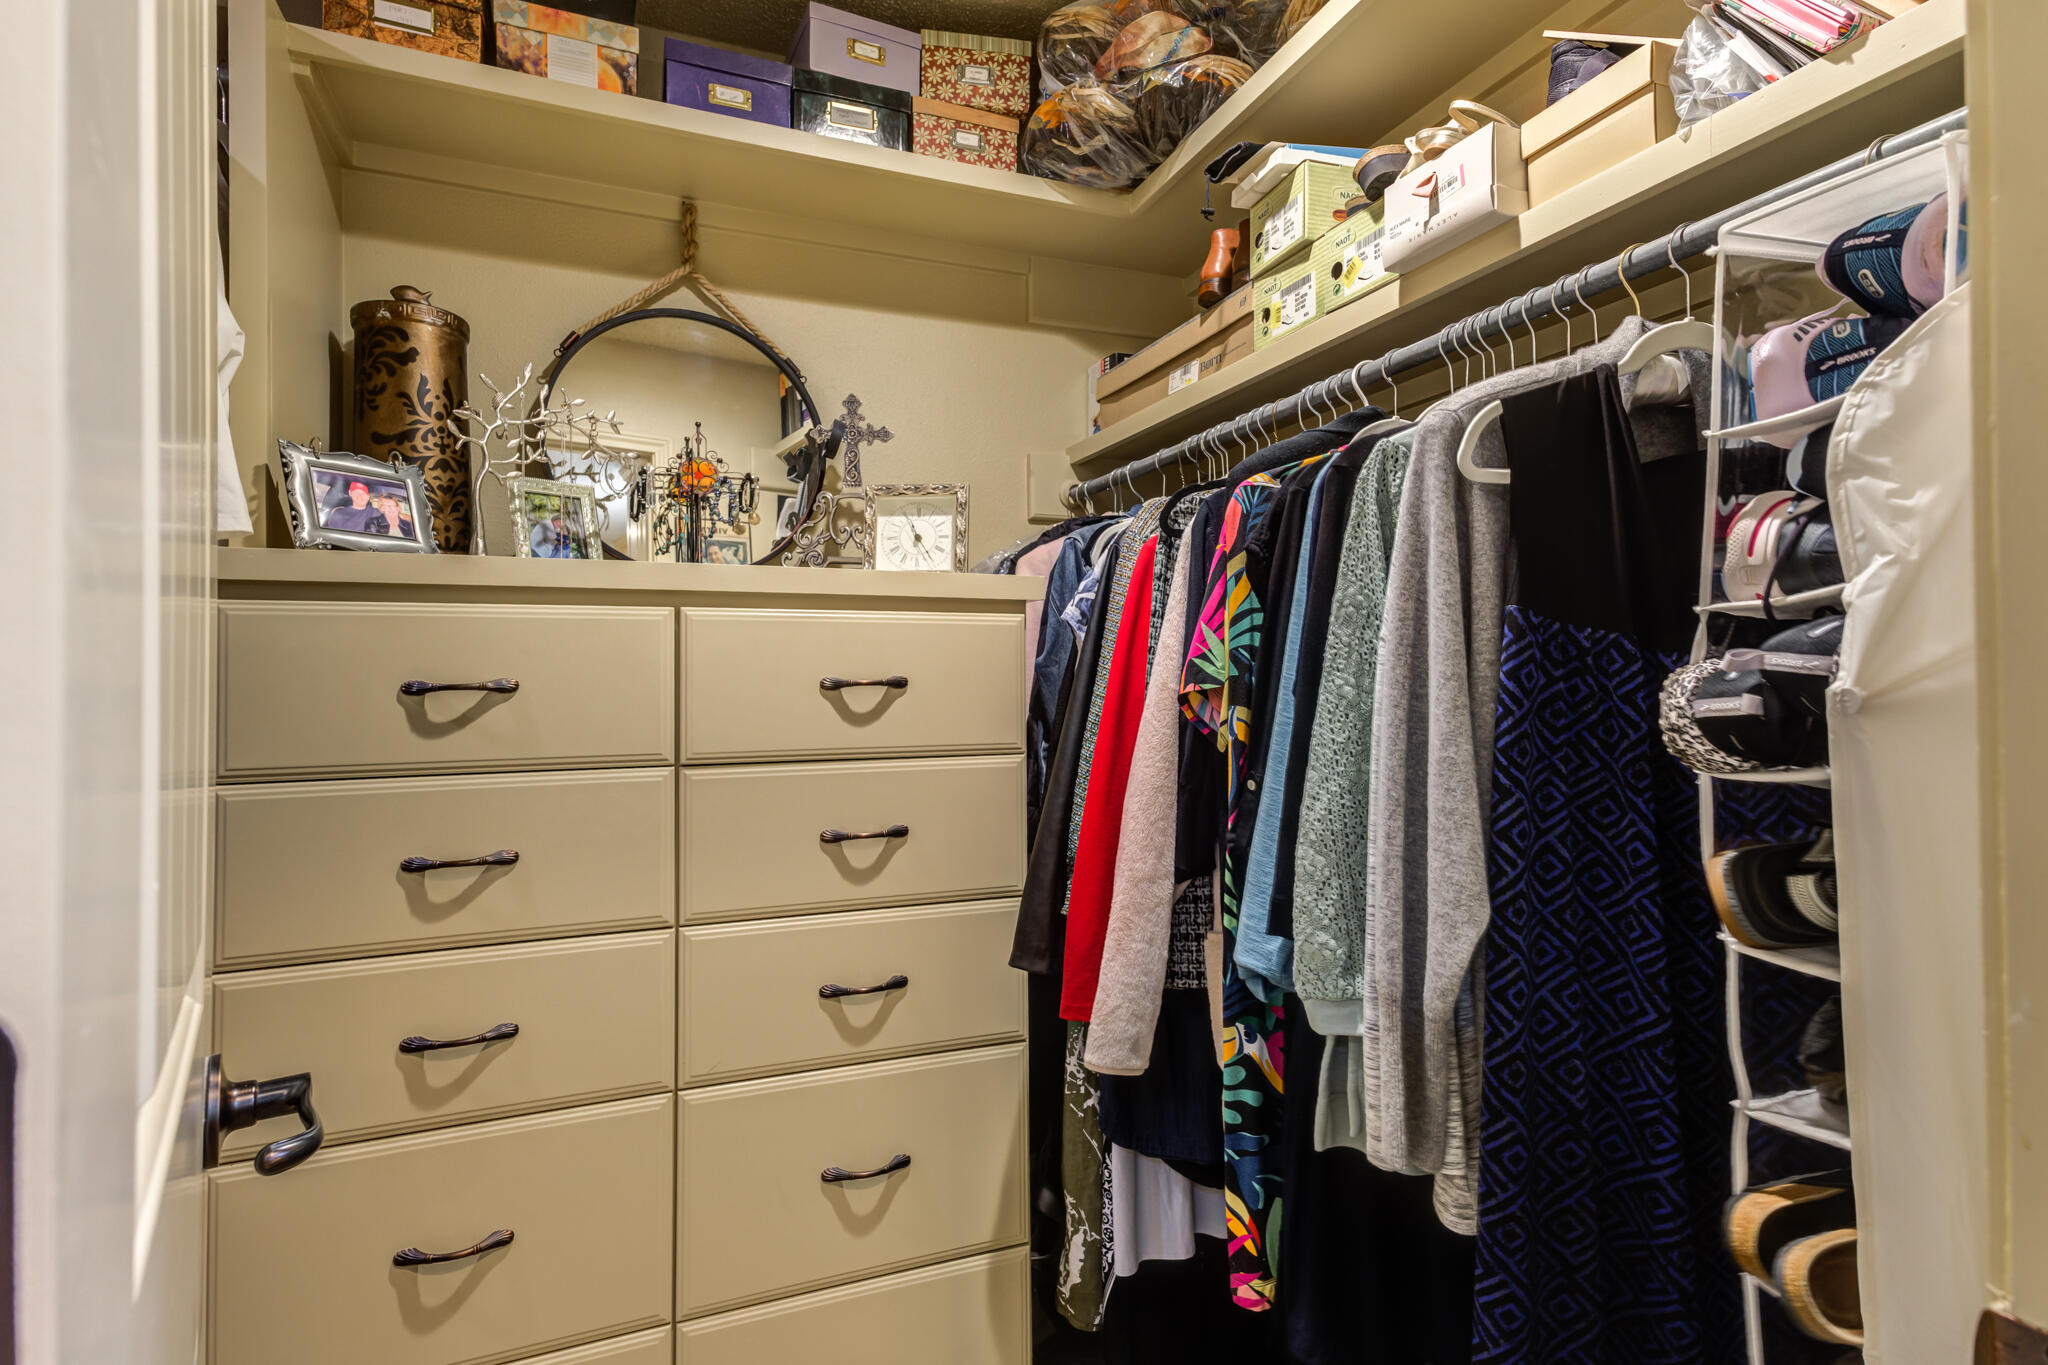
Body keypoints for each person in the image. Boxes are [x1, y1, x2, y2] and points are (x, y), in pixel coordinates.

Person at [323, 480, 388, 534]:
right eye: (356, 493)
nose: (360, 496)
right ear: (350, 494)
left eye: (363, 494)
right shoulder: (339, 513)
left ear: (368, 497)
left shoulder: (378, 513)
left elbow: (384, 536)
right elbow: (333, 537)